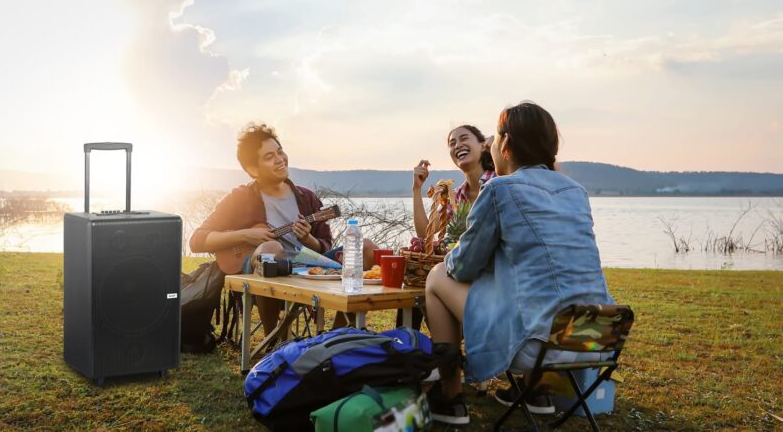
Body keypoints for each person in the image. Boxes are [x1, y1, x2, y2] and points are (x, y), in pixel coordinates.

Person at [423, 103, 614, 426]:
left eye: (495, 140)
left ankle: (450, 397)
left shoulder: (500, 188)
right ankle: (533, 392)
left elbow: (463, 267)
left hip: (541, 345)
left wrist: (453, 255)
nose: (493, 147)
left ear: (506, 145)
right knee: (542, 293)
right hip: (597, 335)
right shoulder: (575, 191)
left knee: (437, 277)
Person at [190, 123, 376, 336]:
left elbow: (325, 245)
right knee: (271, 248)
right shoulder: (240, 197)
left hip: (306, 266)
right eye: (269, 157)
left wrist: (308, 240)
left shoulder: (307, 198)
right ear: (252, 169)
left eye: (280, 152)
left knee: (367, 247)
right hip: (264, 270)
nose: (279, 159)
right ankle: (275, 338)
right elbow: (197, 240)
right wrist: (246, 235)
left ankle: (337, 335)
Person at [400, 125, 496, 329]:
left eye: (464, 139)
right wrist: (417, 189)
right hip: (460, 269)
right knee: (413, 290)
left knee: (433, 280)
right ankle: (409, 348)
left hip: (489, 275)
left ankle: (442, 352)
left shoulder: (498, 183)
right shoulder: (456, 195)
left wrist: (493, 142)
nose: (457, 145)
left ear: (483, 145)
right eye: (452, 143)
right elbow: (425, 231)